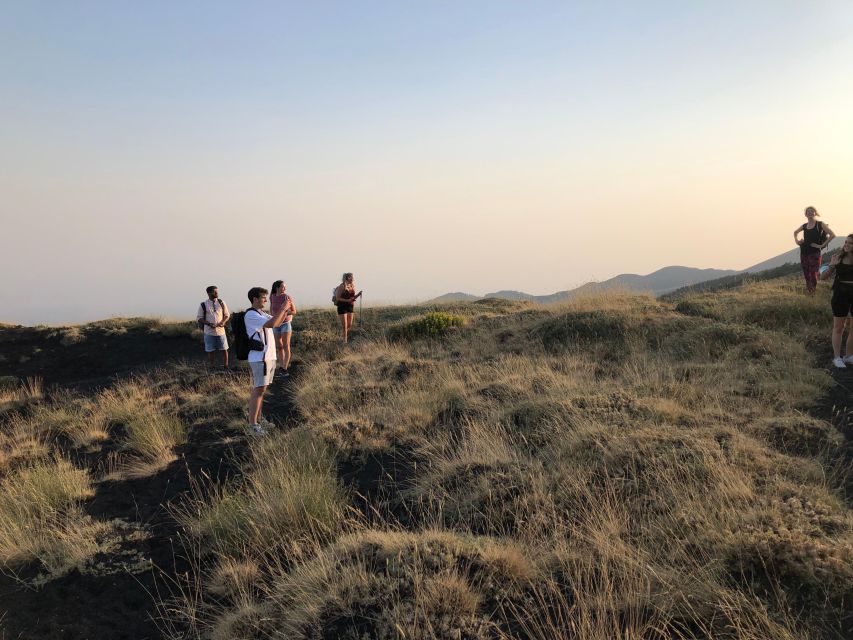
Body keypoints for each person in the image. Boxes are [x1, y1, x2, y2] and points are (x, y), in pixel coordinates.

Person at [244, 286, 291, 434]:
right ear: (255, 299)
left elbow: (277, 322)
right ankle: (253, 425)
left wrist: (287, 309)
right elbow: (272, 324)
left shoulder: (261, 313)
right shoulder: (251, 315)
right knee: (258, 390)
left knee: (262, 390)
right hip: (260, 358)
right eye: (263, 297)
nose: (266, 299)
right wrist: (283, 308)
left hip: (268, 357)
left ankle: (259, 419)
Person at [820, 234, 853, 369]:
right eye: (846, 242)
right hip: (840, 295)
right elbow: (823, 277)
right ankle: (837, 357)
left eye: (850, 243)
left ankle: (849, 356)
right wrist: (832, 266)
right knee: (839, 327)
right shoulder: (838, 257)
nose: (846, 244)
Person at [794, 206, 835, 294]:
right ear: (805, 214)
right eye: (808, 211)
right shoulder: (804, 226)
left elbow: (832, 235)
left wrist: (821, 245)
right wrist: (797, 241)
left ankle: (812, 292)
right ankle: (810, 292)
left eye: (811, 211)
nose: (809, 213)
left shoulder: (820, 224)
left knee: (813, 273)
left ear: (815, 213)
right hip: (804, 252)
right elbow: (795, 232)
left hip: (815, 253)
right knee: (806, 274)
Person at [196, 286, 230, 368]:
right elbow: (199, 318)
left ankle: (226, 366)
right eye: (214, 292)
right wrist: (209, 324)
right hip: (209, 332)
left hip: (221, 331)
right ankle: (212, 367)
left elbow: (227, 315)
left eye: (217, 291)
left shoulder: (221, 302)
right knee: (210, 350)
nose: (217, 293)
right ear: (209, 293)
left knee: (224, 349)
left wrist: (223, 322)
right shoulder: (203, 305)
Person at [270, 280, 296, 376]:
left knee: (286, 346)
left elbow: (294, 311)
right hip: (276, 324)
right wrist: (273, 316)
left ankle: (285, 368)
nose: (285, 289)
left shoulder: (287, 297)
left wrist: (284, 313)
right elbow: (271, 307)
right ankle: (281, 366)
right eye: (283, 287)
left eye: (285, 287)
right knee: (279, 347)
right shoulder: (272, 296)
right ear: (277, 287)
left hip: (285, 323)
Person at [334, 272, 362, 344]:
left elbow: (352, 297)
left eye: (353, 277)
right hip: (342, 306)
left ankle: (342, 337)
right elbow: (337, 298)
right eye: (351, 277)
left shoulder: (352, 286)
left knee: (349, 324)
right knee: (345, 325)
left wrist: (358, 294)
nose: (353, 278)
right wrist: (347, 300)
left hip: (350, 306)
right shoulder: (342, 286)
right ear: (347, 278)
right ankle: (344, 341)